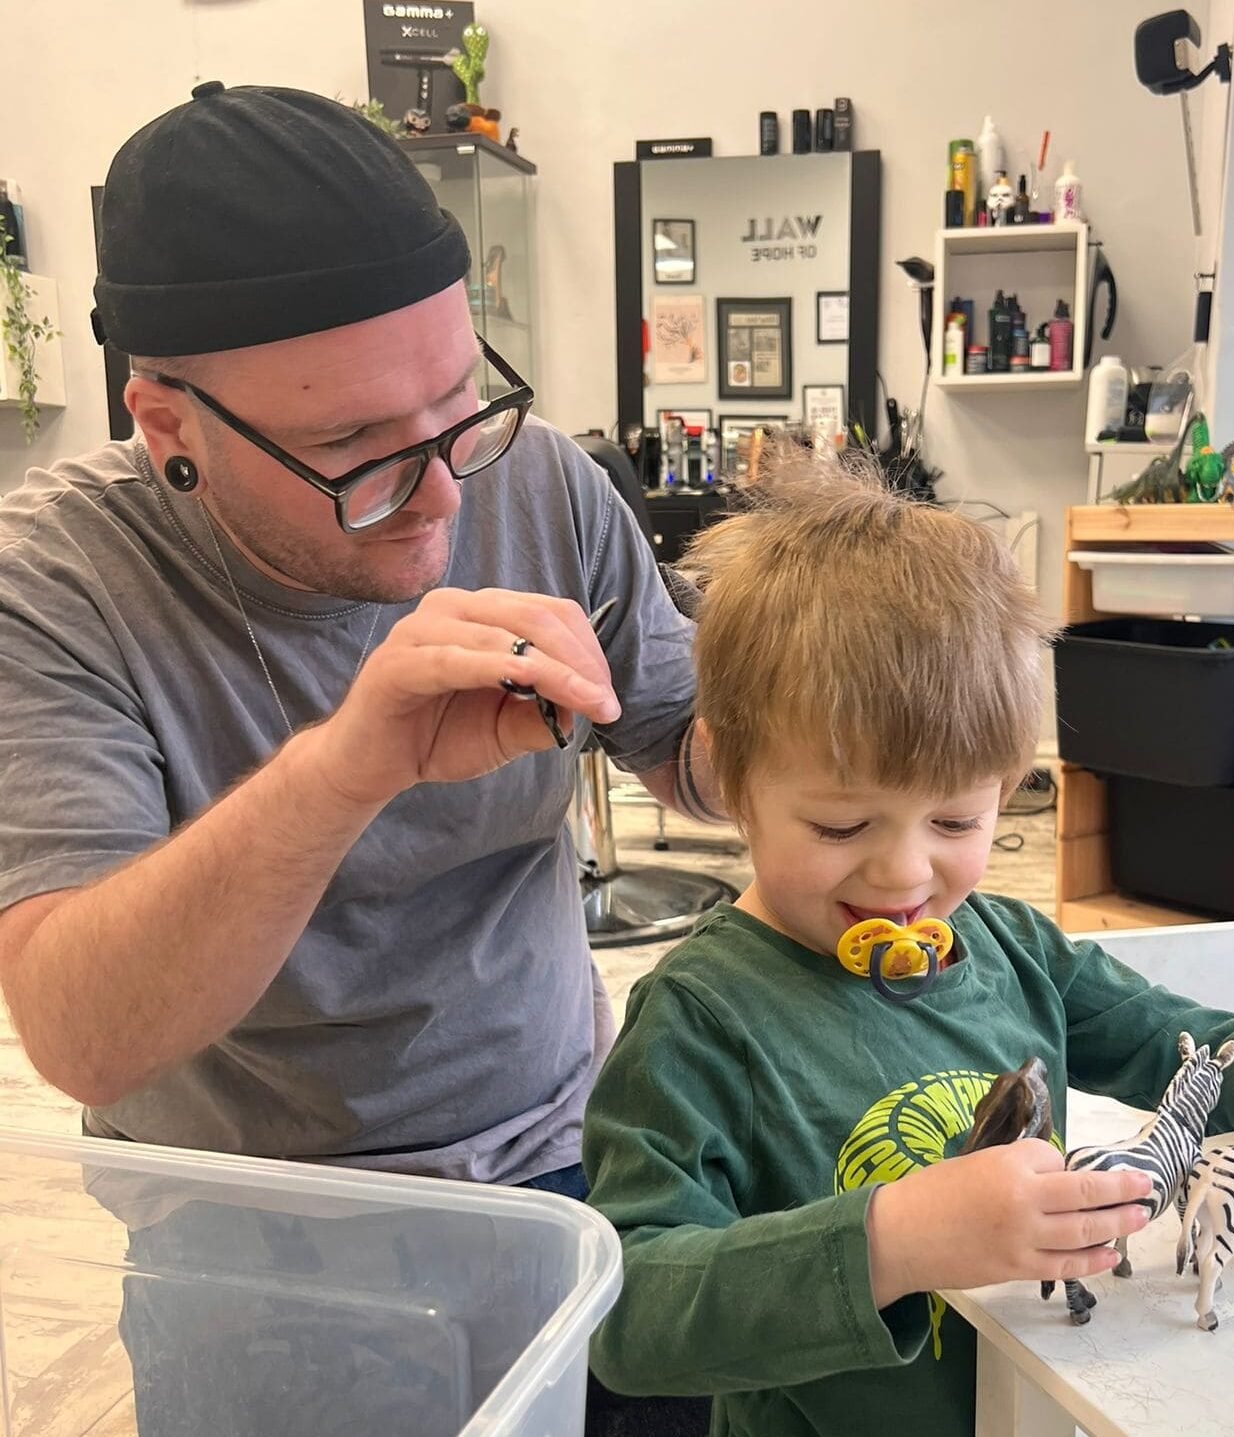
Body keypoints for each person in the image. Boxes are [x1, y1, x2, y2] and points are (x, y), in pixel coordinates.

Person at [0, 83, 715, 1432]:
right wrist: (346, 767)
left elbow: (686, 747)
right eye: (351, 449)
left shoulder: (540, 480)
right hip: (255, 1237)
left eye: (457, 403)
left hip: (574, 1170)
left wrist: (836, 726)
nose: (445, 490)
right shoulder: (54, 586)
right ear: (168, 428)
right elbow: (83, 1034)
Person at [581, 456, 1234, 1437]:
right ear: (727, 776)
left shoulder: (1011, 947)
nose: (904, 878)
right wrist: (891, 1243)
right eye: (841, 828)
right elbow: (630, 1319)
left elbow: (1181, 1043)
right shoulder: (700, 1020)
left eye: (957, 823)